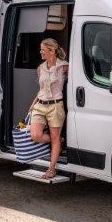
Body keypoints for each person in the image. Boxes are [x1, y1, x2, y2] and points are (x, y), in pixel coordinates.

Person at [27, 37, 69, 179]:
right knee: (35, 135)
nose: (40, 52)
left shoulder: (64, 67)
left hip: (56, 106)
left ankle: (51, 169)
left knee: (54, 137)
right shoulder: (40, 68)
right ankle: (58, 141)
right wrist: (33, 104)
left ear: (52, 51)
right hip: (40, 105)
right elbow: (41, 89)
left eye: (43, 50)